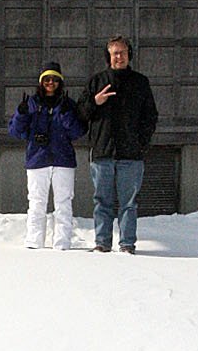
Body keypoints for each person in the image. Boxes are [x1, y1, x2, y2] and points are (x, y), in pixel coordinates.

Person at [77, 36, 158, 253]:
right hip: (102, 152)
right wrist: (95, 102)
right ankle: (102, 243)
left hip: (131, 154)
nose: (119, 57)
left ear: (129, 54)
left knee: (128, 203)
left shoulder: (140, 82)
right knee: (102, 201)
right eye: (114, 53)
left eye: (122, 52)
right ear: (108, 57)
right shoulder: (97, 82)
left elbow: (150, 116)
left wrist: (141, 143)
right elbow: (81, 114)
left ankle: (127, 244)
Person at [8, 63, 86, 250]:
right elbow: (15, 131)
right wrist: (22, 113)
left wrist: (67, 116)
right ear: (41, 82)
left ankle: (62, 242)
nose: (51, 83)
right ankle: (34, 242)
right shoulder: (32, 104)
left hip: (63, 160)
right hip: (37, 159)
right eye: (47, 79)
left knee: (64, 203)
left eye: (55, 79)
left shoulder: (68, 104)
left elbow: (78, 132)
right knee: (36, 202)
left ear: (60, 82)